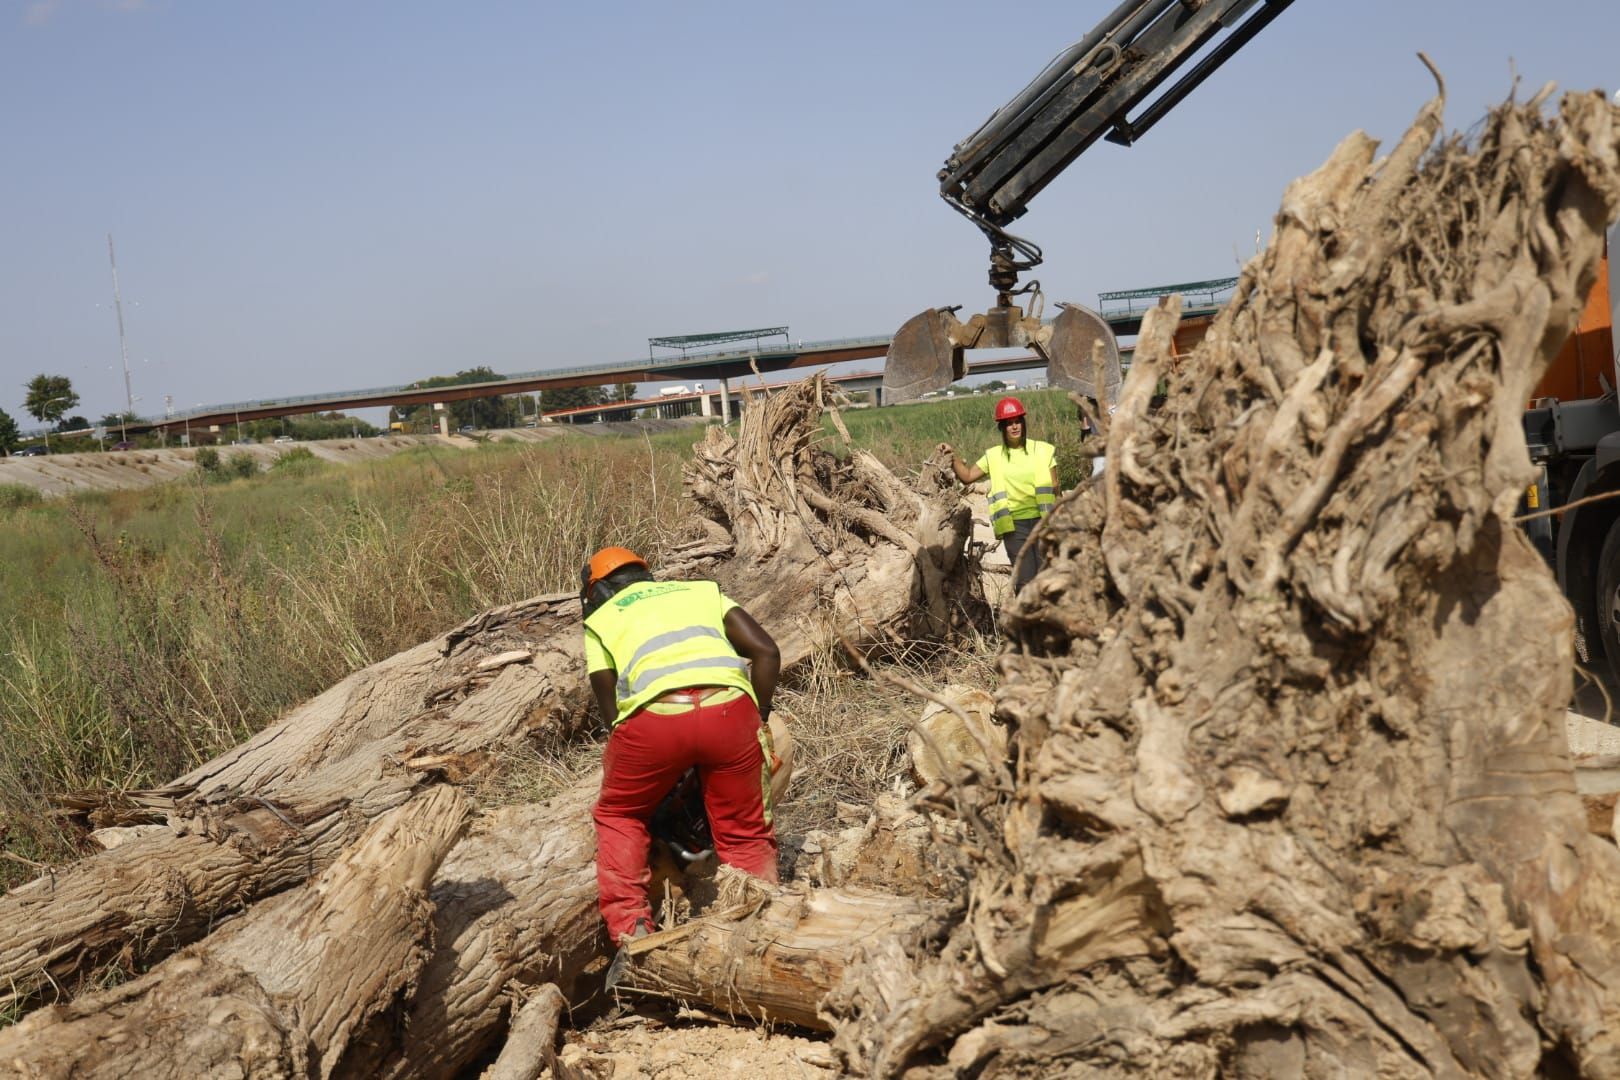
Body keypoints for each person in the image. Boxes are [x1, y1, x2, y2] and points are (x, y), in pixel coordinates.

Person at [579, 545, 782, 948]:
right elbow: (766, 651)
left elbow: (612, 716)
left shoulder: (600, 619)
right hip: (729, 711)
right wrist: (757, 716)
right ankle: (763, 926)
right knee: (745, 833)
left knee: (620, 813)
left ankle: (633, 929)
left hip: (655, 722)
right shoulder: (701, 592)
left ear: (595, 591)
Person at [938, 396, 1060, 591]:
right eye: (1009, 423)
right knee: (1025, 582)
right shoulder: (994, 456)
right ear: (1002, 427)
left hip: (1043, 523)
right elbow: (967, 476)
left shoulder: (1042, 450)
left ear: (1023, 423)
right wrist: (952, 455)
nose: (1014, 426)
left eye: (1018, 421)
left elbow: (1055, 486)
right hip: (1015, 526)